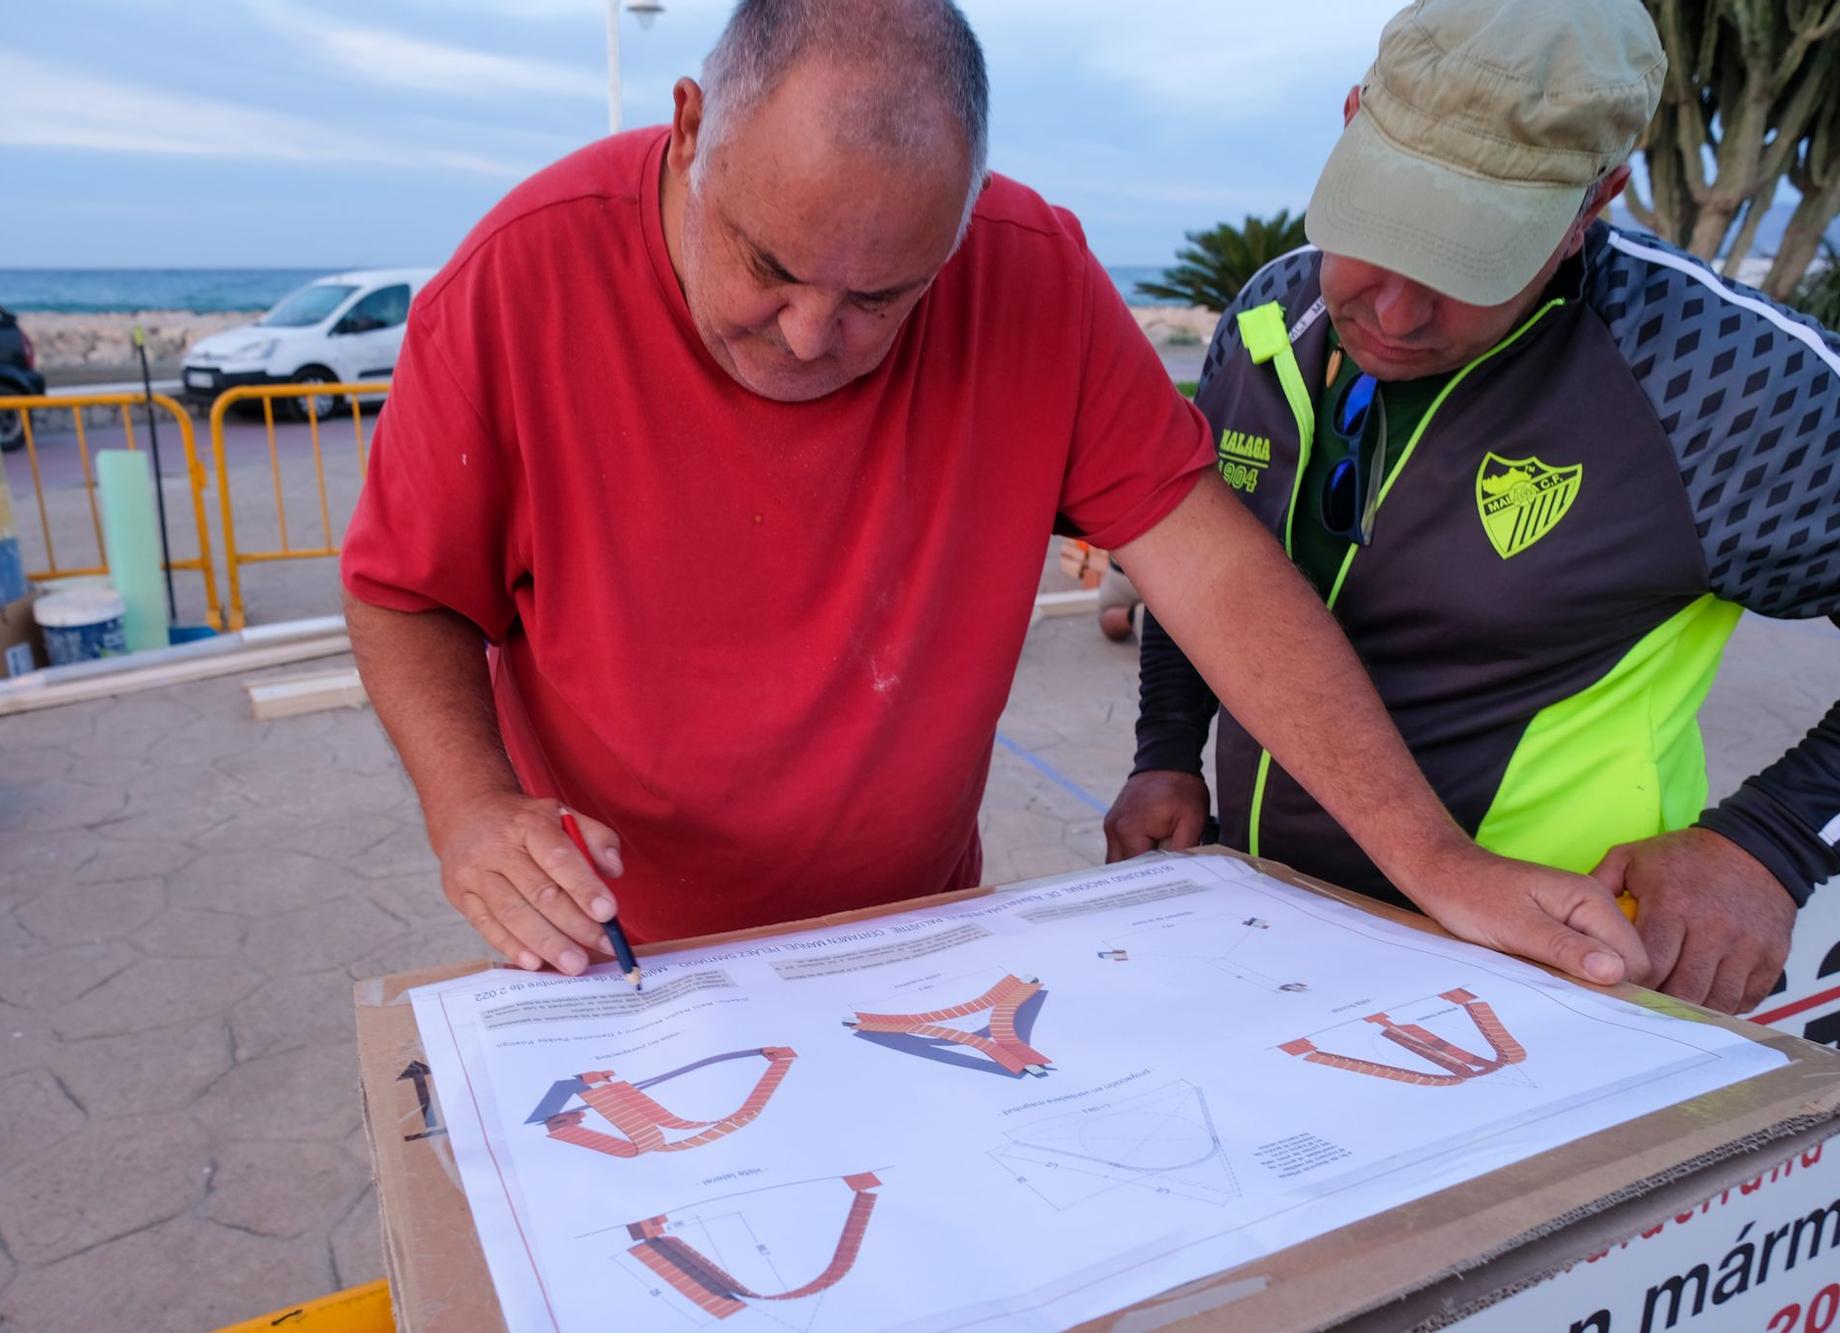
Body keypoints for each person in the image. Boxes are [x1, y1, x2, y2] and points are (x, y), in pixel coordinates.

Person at [340, 0, 1646, 989]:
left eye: (881, 296)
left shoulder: (1027, 271)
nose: (808, 334)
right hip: (615, 951)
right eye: (771, 265)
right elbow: (407, 590)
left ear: (959, 227)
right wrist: (471, 807)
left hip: (916, 937)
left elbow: (1215, 571)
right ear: (690, 130)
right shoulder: (521, 277)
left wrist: (1438, 863)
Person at [1108, 0, 1840, 1015]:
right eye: (1379, 233)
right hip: (1267, 927)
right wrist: (1165, 756)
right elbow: (1197, 564)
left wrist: (1769, 841)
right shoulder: (1267, 314)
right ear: (1351, 118)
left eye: (1469, 259)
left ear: (1596, 199)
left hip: (1560, 968)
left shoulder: (1721, 383)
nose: (1396, 313)